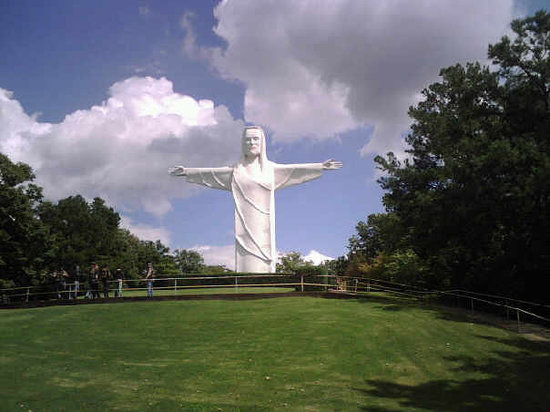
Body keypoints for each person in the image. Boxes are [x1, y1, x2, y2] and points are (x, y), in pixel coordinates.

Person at [169, 126, 342, 273]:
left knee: (265, 251)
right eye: (248, 140)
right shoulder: (235, 171)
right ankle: (244, 275)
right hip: (243, 222)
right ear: (242, 144)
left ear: (262, 143)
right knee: (244, 251)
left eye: (255, 140)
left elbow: (295, 170)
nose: (251, 143)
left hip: (264, 221)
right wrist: (187, 172)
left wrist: (320, 166)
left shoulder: (271, 170)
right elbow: (211, 173)